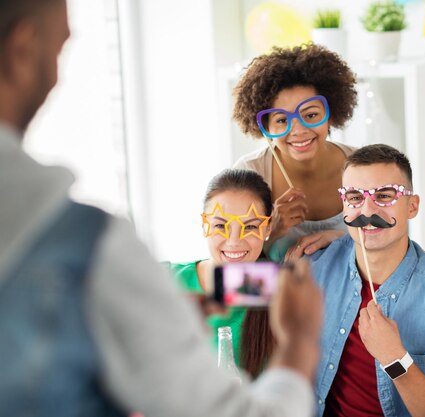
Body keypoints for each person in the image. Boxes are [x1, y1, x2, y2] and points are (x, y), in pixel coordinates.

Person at [0, 1, 323, 416]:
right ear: (23, 47)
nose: (234, 239)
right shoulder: (92, 251)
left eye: (250, 225)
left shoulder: (266, 285)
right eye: (60, 48)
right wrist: (299, 342)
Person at [308, 144, 425, 417]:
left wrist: (396, 359)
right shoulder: (313, 271)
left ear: (412, 206)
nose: (367, 210)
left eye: (384, 196)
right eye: (355, 197)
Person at [232, 43, 358, 262]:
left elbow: (392, 246)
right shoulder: (249, 175)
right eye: (281, 120)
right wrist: (271, 230)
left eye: (310, 115)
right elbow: (234, 266)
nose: (298, 130)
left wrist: (343, 240)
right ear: (266, 127)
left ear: (331, 114)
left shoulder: (362, 167)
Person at [170, 168, 276, 378]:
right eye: (220, 225)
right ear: (204, 225)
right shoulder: (166, 281)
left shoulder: (282, 294)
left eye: (250, 227)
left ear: (268, 228)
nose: (234, 241)